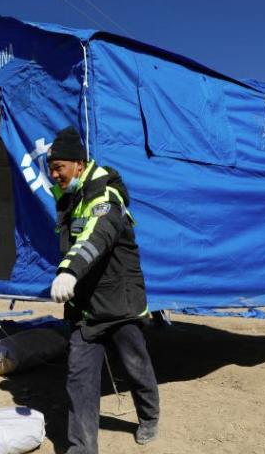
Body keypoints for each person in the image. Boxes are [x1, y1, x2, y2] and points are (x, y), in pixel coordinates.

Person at [46, 126, 160, 454]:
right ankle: (82, 449)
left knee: (136, 366)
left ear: (79, 164)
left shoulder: (106, 195)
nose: (54, 175)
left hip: (119, 303)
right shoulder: (68, 201)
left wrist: (68, 272)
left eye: (59, 168)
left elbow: (98, 236)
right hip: (85, 310)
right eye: (51, 169)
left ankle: (149, 417)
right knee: (79, 381)